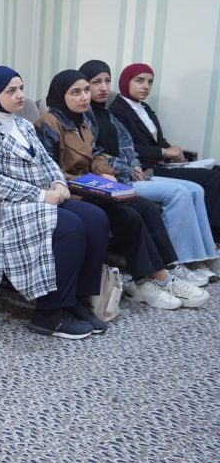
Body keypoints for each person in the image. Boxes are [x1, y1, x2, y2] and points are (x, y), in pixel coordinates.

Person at [0, 66, 110, 337]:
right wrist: (41, 195)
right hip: (1, 206)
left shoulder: (23, 125)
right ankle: (49, 314)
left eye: (21, 89)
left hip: (36, 199)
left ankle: (76, 300)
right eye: (11, 90)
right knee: (70, 226)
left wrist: (59, 183)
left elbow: (48, 162)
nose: (20, 95)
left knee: (96, 219)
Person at [35, 70, 208, 309]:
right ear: (60, 94)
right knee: (127, 215)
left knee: (145, 207)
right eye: (75, 92)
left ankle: (167, 269)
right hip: (71, 191)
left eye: (85, 90)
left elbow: (96, 154)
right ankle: (150, 281)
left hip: (93, 186)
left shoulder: (81, 121)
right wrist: (89, 183)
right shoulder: (48, 123)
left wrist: (104, 172)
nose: (84, 97)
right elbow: (48, 170)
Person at [81, 59, 219, 282]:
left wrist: (134, 163)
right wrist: (129, 167)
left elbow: (127, 146)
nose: (104, 87)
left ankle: (204, 255)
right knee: (179, 193)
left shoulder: (107, 114)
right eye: (96, 82)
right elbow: (95, 154)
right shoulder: (85, 116)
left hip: (133, 174)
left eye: (107, 81)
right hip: (117, 179)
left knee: (196, 189)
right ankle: (181, 260)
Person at [108, 62, 220, 235]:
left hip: (162, 163)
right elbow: (127, 148)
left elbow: (158, 141)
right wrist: (164, 152)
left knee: (217, 169)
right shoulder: (116, 110)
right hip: (146, 168)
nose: (146, 86)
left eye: (150, 82)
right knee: (212, 178)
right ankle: (214, 234)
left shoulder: (145, 108)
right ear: (125, 81)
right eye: (139, 80)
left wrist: (175, 152)